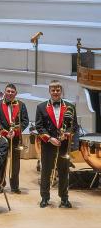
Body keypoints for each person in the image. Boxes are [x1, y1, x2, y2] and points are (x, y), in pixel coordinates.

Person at [35, 81, 76, 209]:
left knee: (64, 172)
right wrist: (50, 138)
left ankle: (64, 198)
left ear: (61, 91)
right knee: (46, 172)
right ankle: (45, 198)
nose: (56, 92)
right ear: (49, 91)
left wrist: (67, 134)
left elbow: (74, 126)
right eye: (53, 90)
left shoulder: (70, 106)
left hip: (63, 145)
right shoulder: (41, 107)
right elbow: (39, 126)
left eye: (58, 90)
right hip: (48, 145)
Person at [0, 83, 29, 194]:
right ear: (5, 92)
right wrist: (5, 132)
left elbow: (25, 121)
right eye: (8, 91)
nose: (10, 93)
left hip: (16, 138)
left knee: (15, 163)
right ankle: (0, 183)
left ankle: (15, 186)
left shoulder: (21, 105)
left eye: (12, 92)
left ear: (16, 93)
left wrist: (15, 131)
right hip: (2, 138)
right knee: (0, 161)